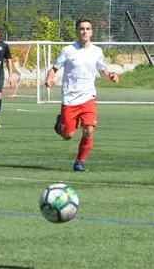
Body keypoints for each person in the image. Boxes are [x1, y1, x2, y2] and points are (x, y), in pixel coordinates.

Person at [45, 16, 119, 172]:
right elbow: (54, 68)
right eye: (82, 29)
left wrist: (111, 75)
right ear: (77, 31)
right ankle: (60, 125)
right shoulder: (68, 50)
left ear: (91, 32)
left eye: (88, 29)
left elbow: (102, 71)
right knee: (68, 135)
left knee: (89, 130)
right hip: (70, 98)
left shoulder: (97, 51)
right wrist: (49, 78)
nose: (85, 31)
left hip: (88, 97)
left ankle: (79, 162)